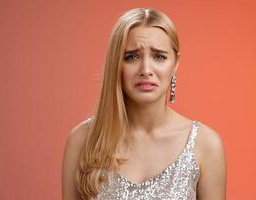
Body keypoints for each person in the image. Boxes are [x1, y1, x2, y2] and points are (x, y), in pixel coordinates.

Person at [62, 7, 226, 200]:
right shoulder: (82, 140)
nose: (146, 69)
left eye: (159, 56)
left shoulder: (205, 145)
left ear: (175, 63)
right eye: (132, 56)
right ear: (116, 63)